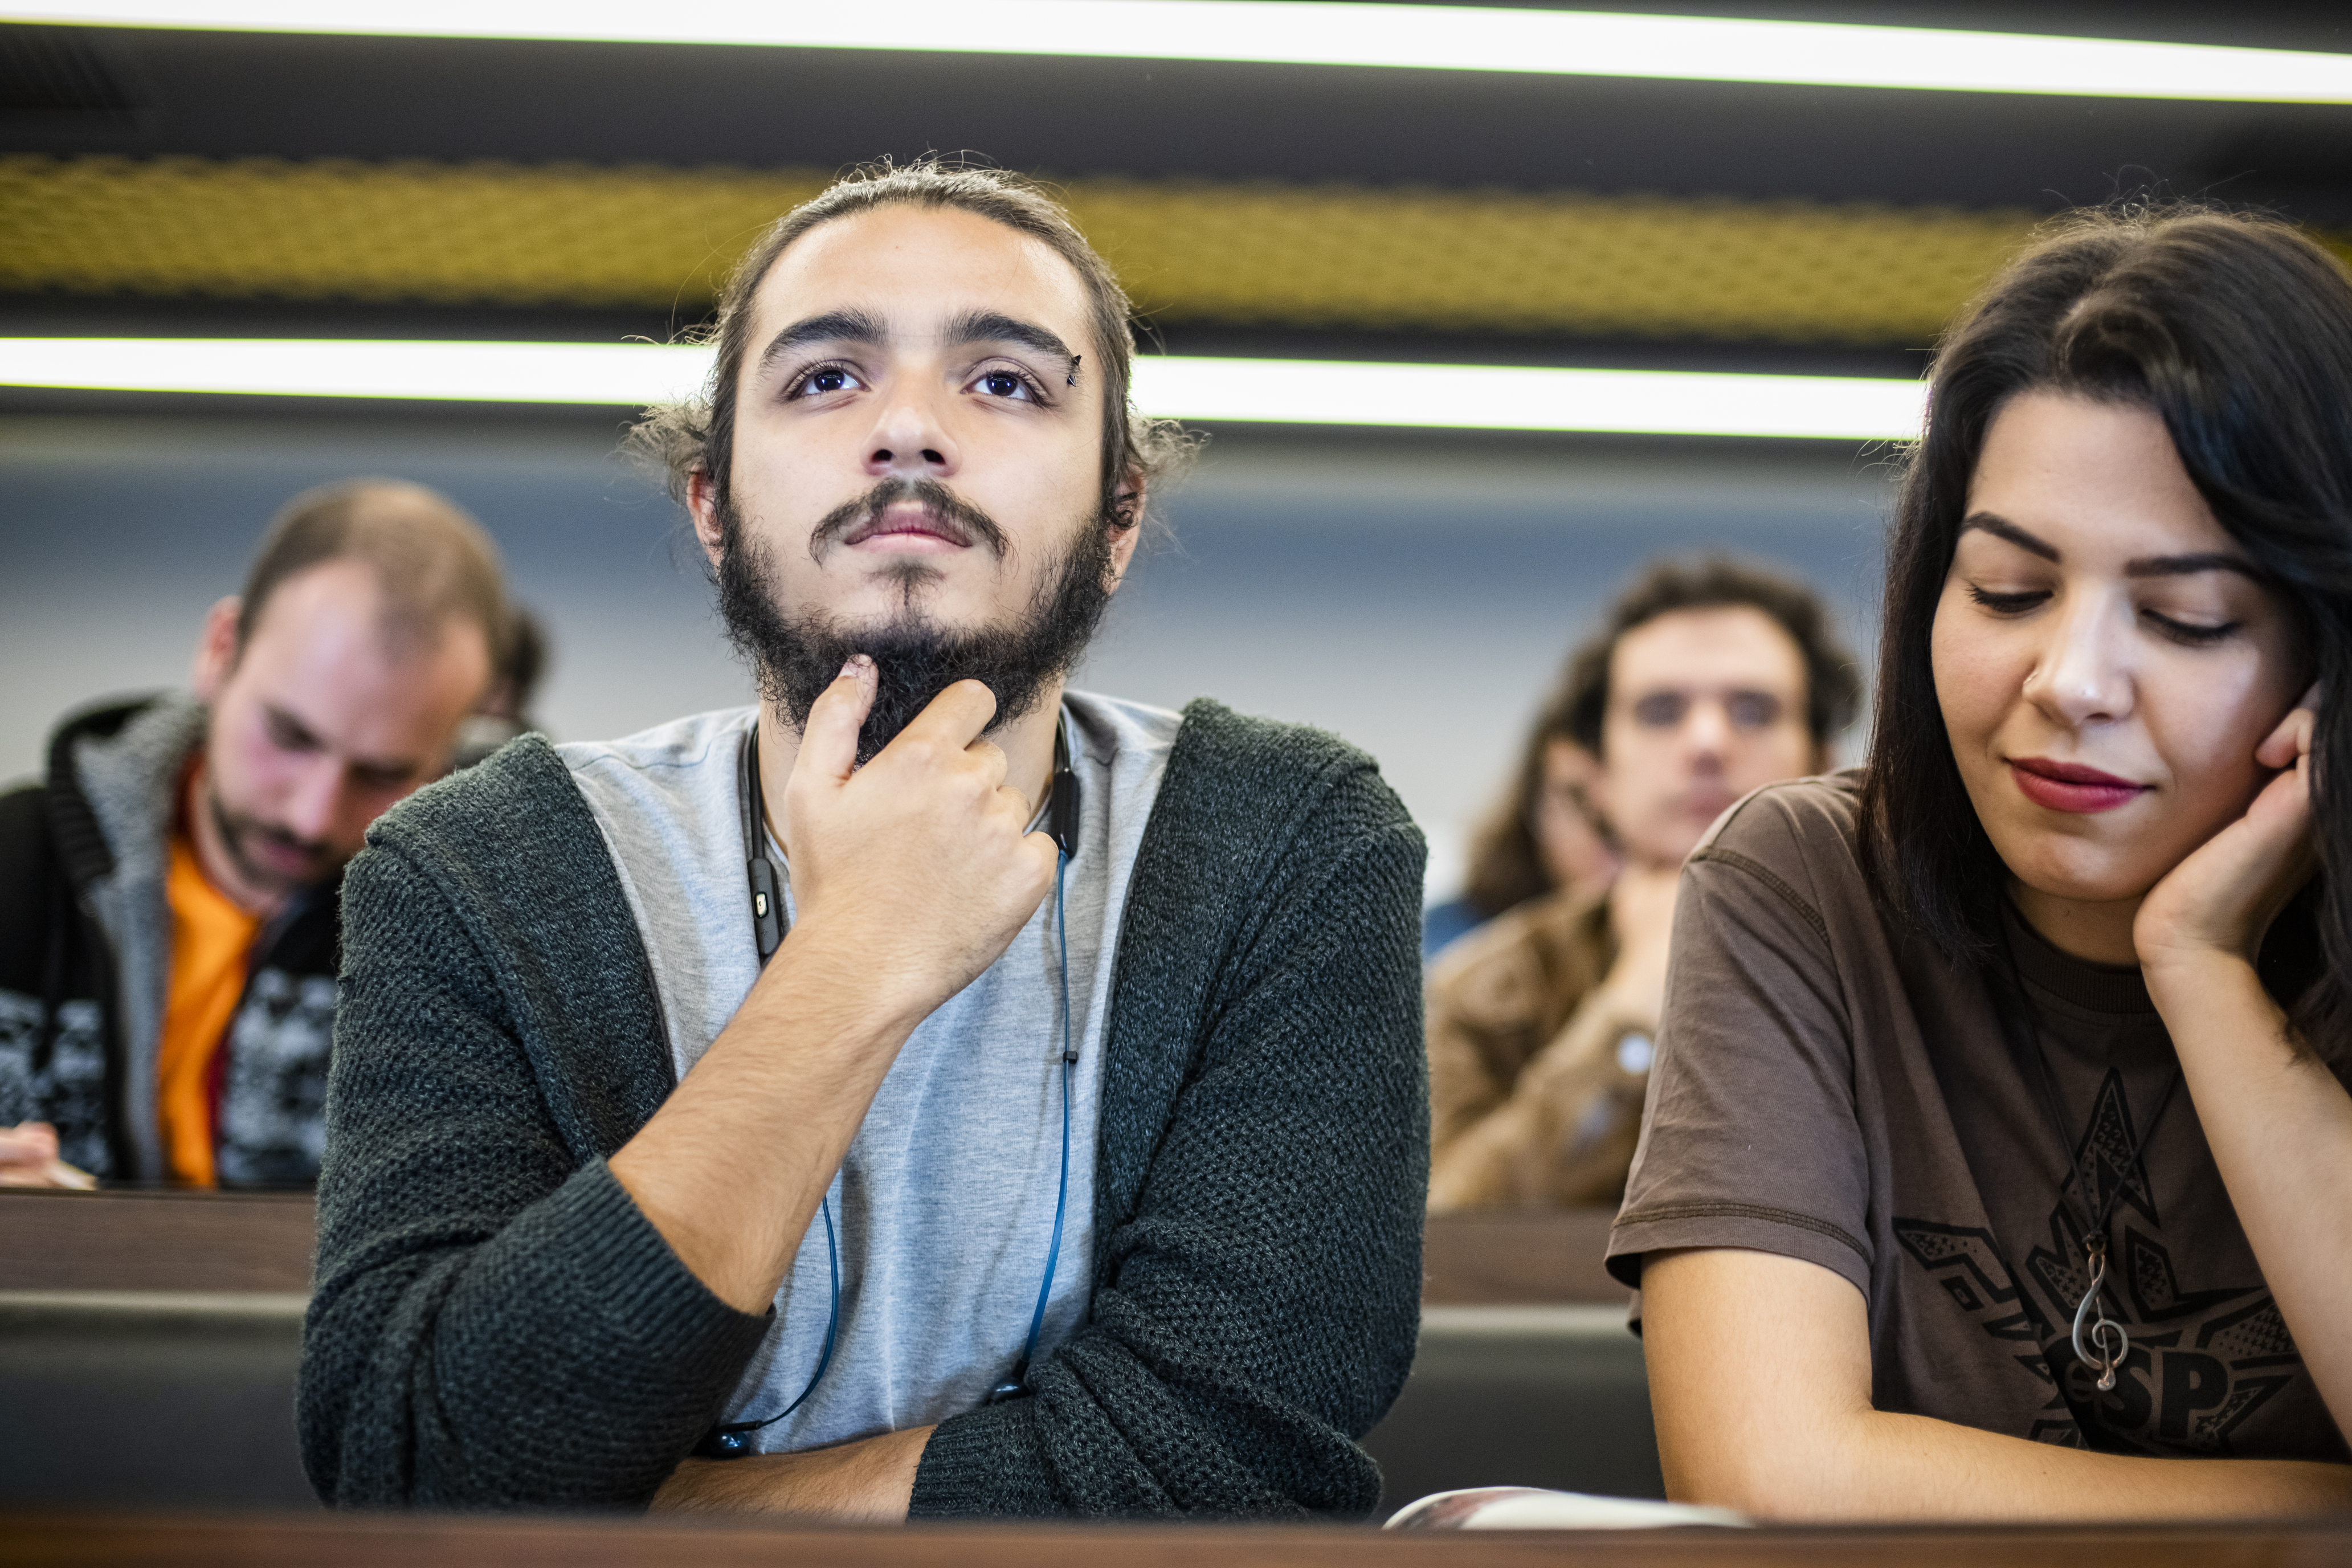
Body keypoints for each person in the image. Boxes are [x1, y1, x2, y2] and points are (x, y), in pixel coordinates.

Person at [298, 162, 1428, 1521]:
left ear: (1117, 520)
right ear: (710, 505)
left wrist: (668, 1519)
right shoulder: (474, 867)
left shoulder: (1289, 845)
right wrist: (857, 961)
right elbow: (416, 1462)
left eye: (1004, 382)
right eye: (825, 378)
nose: (908, 428)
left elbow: (1232, 1460)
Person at [1613, 207, 2352, 1518]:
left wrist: (2197, 969)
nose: (2067, 683)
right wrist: (2309, 1511)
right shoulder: (1805, 881)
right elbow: (1764, 1473)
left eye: (2185, 619)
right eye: (2007, 590)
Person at [0, 480, 508, 1189]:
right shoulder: (11, 864)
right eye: (290, 735)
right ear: (221, 651)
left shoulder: (484, 940)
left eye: (383, 772)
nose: (312, 814)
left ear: (450, 750)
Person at [1426, 557, 1857, 1210]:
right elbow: (1443, 1237)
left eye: (1754, 710)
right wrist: (1629, 1019)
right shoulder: (1485, 992)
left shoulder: (1909, 964)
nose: (1708, 741)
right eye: (1661, 712)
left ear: (1824, 763)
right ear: (1595, 773)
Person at [1420, 689, 1617, 962]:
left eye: (1625, 797)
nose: (1604, 826)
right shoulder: (1455, 938)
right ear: (1532, 805)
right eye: (1575, 797)